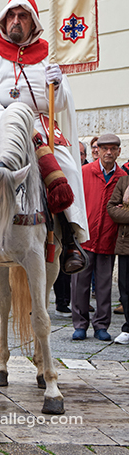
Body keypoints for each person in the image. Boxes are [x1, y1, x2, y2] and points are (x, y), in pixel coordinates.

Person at [0, 0, 88, 274]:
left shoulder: (46, 53)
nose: (15, 21)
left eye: (22, 16)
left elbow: (59, 104)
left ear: (33, 23)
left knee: (66, 164)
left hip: (38, 123)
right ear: (4, 20)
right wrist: (4, 119)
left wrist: (57, 84)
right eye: (11, 16)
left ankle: (69, 240)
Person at [71, 133, 125, 341]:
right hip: (85, 237)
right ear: (98, 151)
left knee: (103, 286)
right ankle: (80, 324)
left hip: (108, 239)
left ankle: (101, 325)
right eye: (105, 149)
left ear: (119, 151)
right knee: (79, 284)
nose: (108, 152)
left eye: (113, 149)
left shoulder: (123, 178)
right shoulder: (85, 172)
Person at [107, 173, 129, 344]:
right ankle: (128, 327)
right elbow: (112, 208)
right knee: (125, 288)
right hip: (126, 244)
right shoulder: (124, 181)